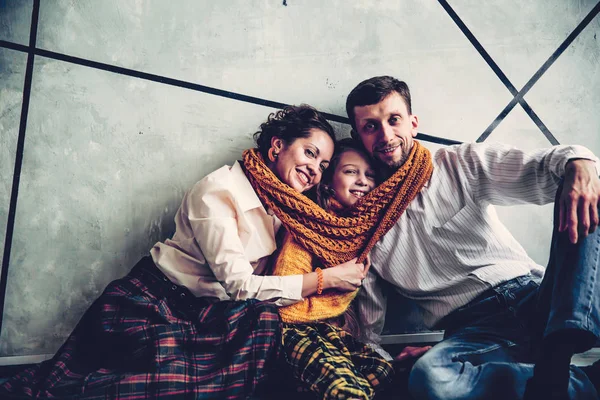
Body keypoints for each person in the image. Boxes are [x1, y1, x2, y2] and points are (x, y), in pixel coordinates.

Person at [0, 105, 368, 399]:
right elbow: (241, 285)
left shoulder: (289, 208)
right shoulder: (218, 190)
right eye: (309, 153)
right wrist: (325, 280)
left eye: (323, 165)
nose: (315, 171)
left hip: (210, 314)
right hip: (153, 304)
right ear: (276, 147)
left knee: (263, 325)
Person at [345, 75, 600, 400]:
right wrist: (388, 367)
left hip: (540, 298)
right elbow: (369, 332)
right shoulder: (362, 232)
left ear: (412, 123)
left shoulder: (457, 164)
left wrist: (580, 164)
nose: (386, 135)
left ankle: (559, 349)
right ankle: (571, 378)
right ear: (358, 136)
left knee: (590, 194)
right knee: (430, 377)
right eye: (370, 126)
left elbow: (544, 170)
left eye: (393, 120)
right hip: (475, 331)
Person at [268, 138, 394, 400]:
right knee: (347, 391)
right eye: (350, 171)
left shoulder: (359, 234)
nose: (363, 181)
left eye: (369, 175)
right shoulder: (309, 227)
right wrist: (334, 286)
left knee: (383, 369)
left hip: (330, 332)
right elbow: (285, 306)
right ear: (326, 181)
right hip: (295, 330)